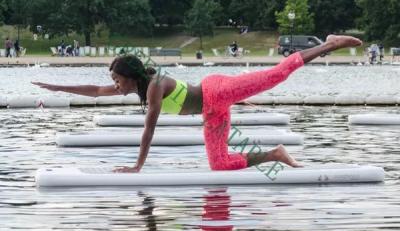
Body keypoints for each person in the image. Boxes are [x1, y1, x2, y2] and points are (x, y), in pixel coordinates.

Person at [32, 35, 362, 173]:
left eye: (117, 79)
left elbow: (148, 132)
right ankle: (276, 154)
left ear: (129, 76)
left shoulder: (155, 87)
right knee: (219, 165)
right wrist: (54, 85)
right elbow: (94, 90)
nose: (115, 85)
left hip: (216, 92)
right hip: (212, 111)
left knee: (276, 74)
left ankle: (328, 44)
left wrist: (137, 167)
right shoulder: (137, 87)